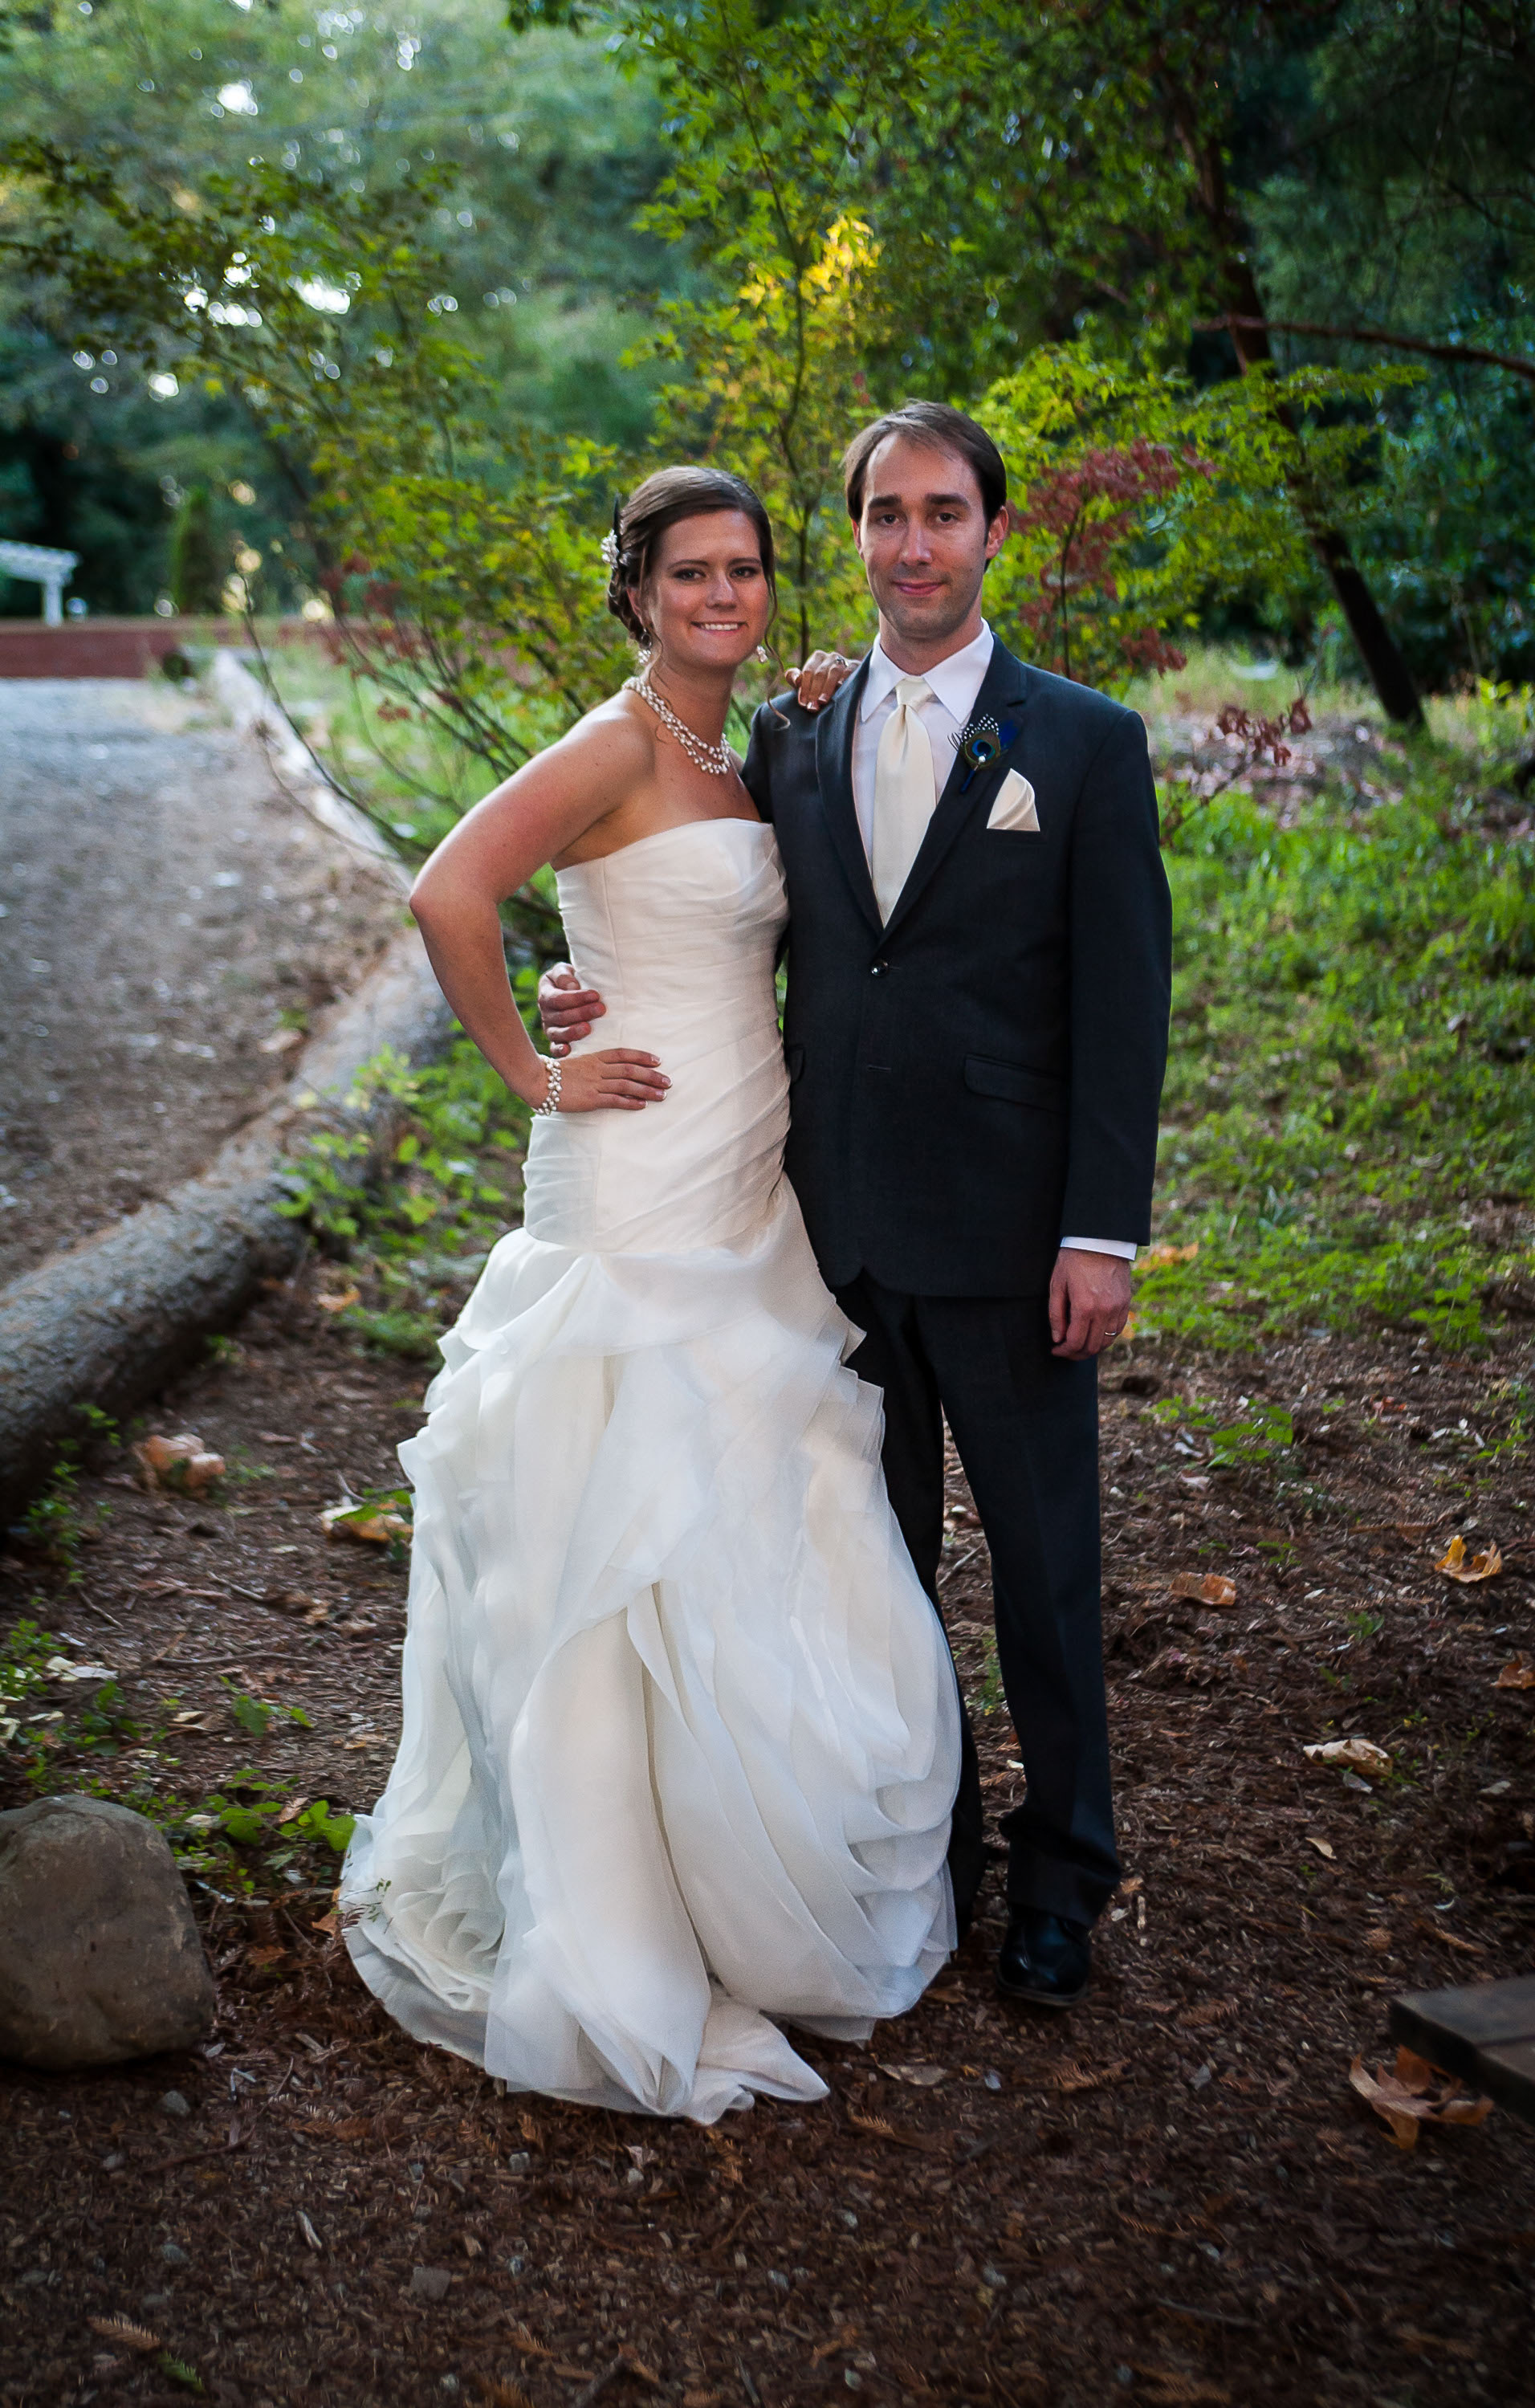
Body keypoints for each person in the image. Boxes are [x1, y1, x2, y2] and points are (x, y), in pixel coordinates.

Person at [340, 466, 962, 2124]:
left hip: (749, 1172)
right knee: (612, 1534)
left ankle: (724, 1898)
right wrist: (530, 1070)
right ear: (638, 593)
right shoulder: (616, 741)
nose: (722, 596)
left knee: (736, 1516)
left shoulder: (746, 742)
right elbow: (450, 891)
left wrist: (815, 706)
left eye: (746, 571)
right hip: (631, 1173)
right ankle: (609, 1919)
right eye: (689, 574)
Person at [542, 403, 1171, 2010]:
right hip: (824, 1236)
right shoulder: (790, 737)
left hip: (1015, 1239)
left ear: (990, 532)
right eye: (884, 515)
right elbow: (708, 926)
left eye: (942, 513)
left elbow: (1124, 1005)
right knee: (873, 1583)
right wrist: (578, 985)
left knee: (1040, 1576)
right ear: (860, 538)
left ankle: (1061, 1877)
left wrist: (1100, 1230)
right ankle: (920, 1863)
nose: (912, 543)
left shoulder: (1081, 744)